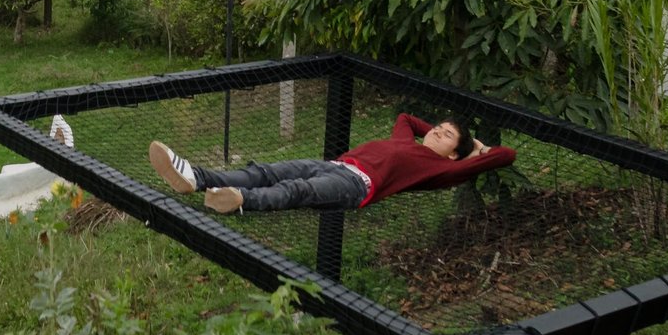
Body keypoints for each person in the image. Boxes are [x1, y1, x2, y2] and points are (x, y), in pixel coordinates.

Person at [149, 114, 516, 214]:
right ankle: (195, 177)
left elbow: (506, 155)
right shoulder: (405, 141)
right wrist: (437, 134)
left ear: (454, 154)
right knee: (267, 171)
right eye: (438, 126)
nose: (436, 131)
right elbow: (406, 118)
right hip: (336, 165)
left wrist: (476, 149)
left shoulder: (442, 169)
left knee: (298, 190)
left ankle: (238, 199)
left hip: (357, 186)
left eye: (447, 135)